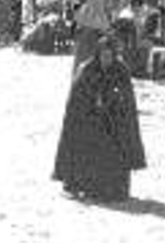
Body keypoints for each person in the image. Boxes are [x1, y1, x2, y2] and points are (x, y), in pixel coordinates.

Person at [52, 33, 147, 203]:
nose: (106, 59)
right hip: (89, 122)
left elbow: (127, 103)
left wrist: (113, 100)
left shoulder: (121, 70)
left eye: (109, 56)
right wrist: (95, 103)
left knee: (116, 144)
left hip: (113, 122)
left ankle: (113, 187)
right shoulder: (86, 70)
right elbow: (77, 106)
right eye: (103, 55)